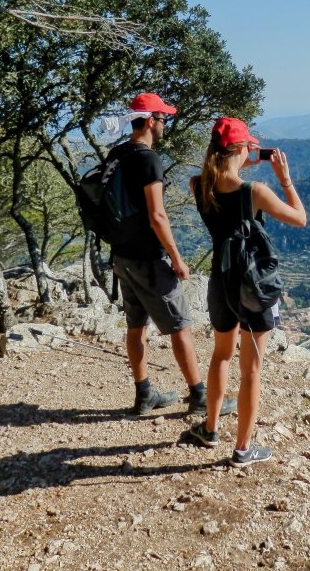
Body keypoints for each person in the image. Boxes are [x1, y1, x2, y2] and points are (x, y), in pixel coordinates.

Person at [187, 117, 306, 467]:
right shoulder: (254, 192)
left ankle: (209, 430)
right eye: (247, 148)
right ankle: (242, 449)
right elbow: (300, 218)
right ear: (241, 149)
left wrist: (239, 161)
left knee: (221, 355)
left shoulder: (198, 185)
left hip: (219, 284)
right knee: (251, 369)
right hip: (253, 287)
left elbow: (220, 179)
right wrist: (284, 178)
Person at [109, 93, 236, 418]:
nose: (166, 124)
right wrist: (176, 257)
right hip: (148, 259)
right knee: (180, 326)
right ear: (151, 121)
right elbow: (157, 215)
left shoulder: (117, 153)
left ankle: (144, 394)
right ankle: (199, 396)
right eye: (164, 119)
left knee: (135, 327)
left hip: (121, 256)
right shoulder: (148, 159)